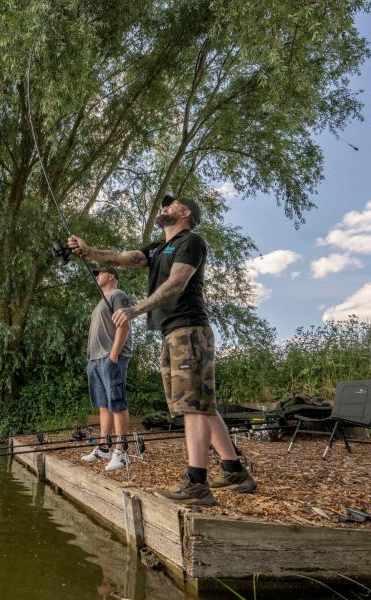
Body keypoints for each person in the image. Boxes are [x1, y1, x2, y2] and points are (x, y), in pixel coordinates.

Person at [67, 194, 257, 506]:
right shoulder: (156, 248)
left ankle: (197, 483)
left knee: (192, 407)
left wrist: (135, 310)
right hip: (173, 331)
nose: (164, 207)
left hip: (189, 328)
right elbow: (119, 257)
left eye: (171, 204)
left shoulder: (190, 241)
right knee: (201, 404)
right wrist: (87, 251)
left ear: (185, 212)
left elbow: (177, 283)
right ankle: (235, 471)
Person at [80, 267, 133, 471]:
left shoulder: (118, 295)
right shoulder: (100, 302)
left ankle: (121, 452)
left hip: (111, 357)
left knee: (117, 403)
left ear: (111, 276)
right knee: (104, 405)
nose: (96, 276)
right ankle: (104, 447)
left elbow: (124, 325)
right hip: (95, 359)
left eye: (99, 272)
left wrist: (114, 354)